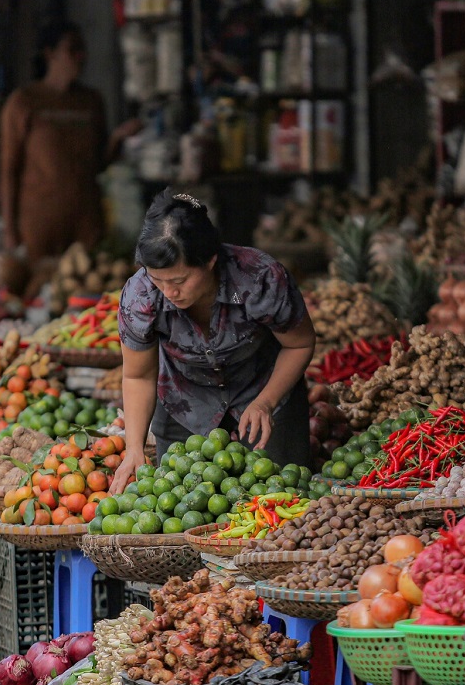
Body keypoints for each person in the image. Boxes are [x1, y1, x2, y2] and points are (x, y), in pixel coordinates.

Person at [109, 191, 316, 494]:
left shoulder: (258, 278)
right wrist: (134, 447)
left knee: (281, 494)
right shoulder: (140, 296)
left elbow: (299, 344)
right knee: (184, 500)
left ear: (210, 261)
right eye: (157, 279)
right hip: (185, 402)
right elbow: (138, 375)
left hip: (263, 387)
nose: (168, 291)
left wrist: (265, 402)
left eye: (179, 281)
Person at [0, 20, 143, 260]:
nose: (80, 56)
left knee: (91, 288)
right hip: (39, 224)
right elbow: (8, 171)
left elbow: (99, 163)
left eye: (82, 50)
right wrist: (10, 230)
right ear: (50, 54)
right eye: (72, 49)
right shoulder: (24, 102)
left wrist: (117, 139)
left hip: (86, 221)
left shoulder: (91, 101)